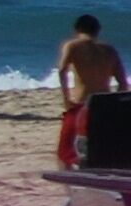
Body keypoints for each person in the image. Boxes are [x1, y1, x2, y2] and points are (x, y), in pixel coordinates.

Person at [55, 14, 128, 168]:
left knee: (65, 152)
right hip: (104, 105)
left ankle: (68, 184)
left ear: (76, 29)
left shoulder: (73, 46)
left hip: (82, 104)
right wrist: (115, 105)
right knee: (101, 149)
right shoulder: (110, 50)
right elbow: (123, 83)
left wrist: (66, 97)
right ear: (98, 31)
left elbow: (62, 70)